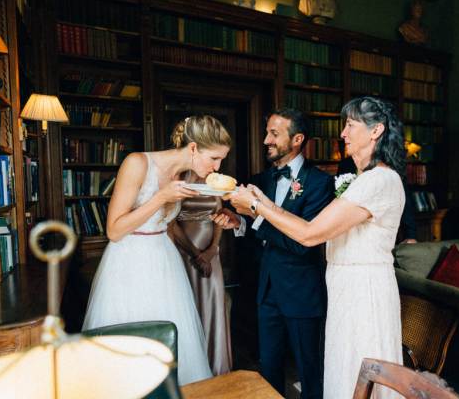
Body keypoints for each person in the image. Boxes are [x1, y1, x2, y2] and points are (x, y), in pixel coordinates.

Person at [220, 97, 406, 399]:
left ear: (376, 131)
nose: (342, 133)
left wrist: (256, 205)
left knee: (361, 367)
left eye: (350, 125)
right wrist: (261, 203)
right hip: (344, 287)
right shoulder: (362, 180)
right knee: (342, 367)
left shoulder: (380, 181)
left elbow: (308, 234)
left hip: (364, 290)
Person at [83, 115, 232, 385]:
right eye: (214, 158)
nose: (217, 167)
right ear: (194, 148)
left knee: (174, 342)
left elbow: (168, 223)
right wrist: (161, 197)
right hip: (130, 262)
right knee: (132, 348)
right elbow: (114, 231)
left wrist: (222, 222)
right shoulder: (137, 163)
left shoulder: (185, 175)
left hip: (165, 260)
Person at [212, 108, 334, 398]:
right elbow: (261, 232)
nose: (266, 139)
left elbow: (303, 241)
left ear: (297, 139)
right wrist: (239, 222)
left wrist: (254, 215)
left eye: (274, 134)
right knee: (269, 367)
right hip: (266, 289)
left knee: (309, 369)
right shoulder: (261, 180)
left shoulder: (320, 183)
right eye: (267, 132)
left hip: (302, 291)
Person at [168, 171, 233, 376]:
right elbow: (171, 222)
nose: (217, 164)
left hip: (210, 252)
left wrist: (213, 249)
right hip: (183, 253)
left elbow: (221, 215)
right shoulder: (176, 177)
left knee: (213, 302)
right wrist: (196, 255)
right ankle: (192, 371)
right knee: (188, 307)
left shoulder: (217, 179)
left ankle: (216, 366)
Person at [337, 156, 417, 243]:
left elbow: (404, 199)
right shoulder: (345, 164)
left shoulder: (387, 164)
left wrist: (410, 235)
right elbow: (338, 196)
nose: (346, 141)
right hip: (347, 231)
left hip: (379, 234)